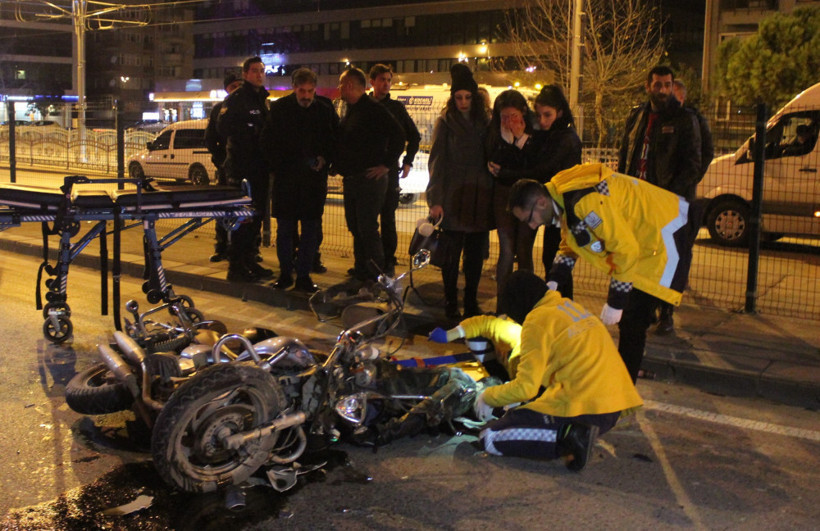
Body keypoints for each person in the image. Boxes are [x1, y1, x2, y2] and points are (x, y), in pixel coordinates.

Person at [507, 165, 696, 383]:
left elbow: (625, 250)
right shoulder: (561, 193)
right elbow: (573, 240)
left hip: (663, 240)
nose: (531, 226)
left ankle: (621, 396)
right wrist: (555, 279)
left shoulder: (584, 203)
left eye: (530, 218)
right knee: (632, 322)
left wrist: (616, 302)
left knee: (632, 322)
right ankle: (622, 385)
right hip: (655, 235)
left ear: (541, 202)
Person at [474, 271, 643, 470]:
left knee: (490, 438)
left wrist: (487, 397)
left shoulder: (537, 320)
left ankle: (569, 435)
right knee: (528, 408)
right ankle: (575, 432)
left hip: (586, 411)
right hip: (612, 408)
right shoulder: (568, 307)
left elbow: (525, 388)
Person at [615, 65, 701, 370]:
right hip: (635, 206)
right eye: (658, 84)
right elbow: (626, 153)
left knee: (664, 261)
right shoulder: (637, 116)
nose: (662, 90)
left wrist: (669, 199)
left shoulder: (685, 119)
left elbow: (694, 163)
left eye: (667, 85)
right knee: (635, 258)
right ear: (648, 85)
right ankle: (636, 312)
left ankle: (662, 313)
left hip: (663, 207)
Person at [261, 67, 339, 293]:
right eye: (302, 91)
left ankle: (303, 275)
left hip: (313, 182)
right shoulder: (279, 110)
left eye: (310, 91)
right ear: (294, 88)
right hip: (286, 181)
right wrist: (278, 167)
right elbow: (267, 143)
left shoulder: (324, 110)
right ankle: (286, 274)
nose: (306, 96)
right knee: (285, 230)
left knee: (310, 231)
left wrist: (326, 159)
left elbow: (334, 139)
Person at [427, 63, 494, 320]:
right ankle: (450, 302)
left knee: (475, 257)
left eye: (467, 97)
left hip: (479, 195)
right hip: (453, 196)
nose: (463, 102)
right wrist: (435, 199)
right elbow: (437, 162)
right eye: (458, 97)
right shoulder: (445, 122)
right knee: (450, 256)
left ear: (474, 97)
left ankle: (471, 301)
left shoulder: (485, 121)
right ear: (453, 98)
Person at [650, 79, 714, 334]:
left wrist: (684, 186)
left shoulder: (692, 121)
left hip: (677, 198)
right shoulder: (656, 120)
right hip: (657, 197)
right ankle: (655, 305)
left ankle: (666, 310)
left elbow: (702, 155)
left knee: (675, 254)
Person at [334, 67, 406, 282]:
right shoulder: (353, 108)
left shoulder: (372, 109)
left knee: (367, 227)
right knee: (356, 225)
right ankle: (361, 268)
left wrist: (386, 164)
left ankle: (377, 273)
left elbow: (399, 135)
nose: (339, 89)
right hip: (354, 178)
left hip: (369, 179)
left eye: (341, 85)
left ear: (349, 86)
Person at [216, 57, 274, 283]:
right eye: (255, 71)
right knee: (243, 219)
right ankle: (236, 267)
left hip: (259, 168)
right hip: (242, 169)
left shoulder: (261, 99)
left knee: (255, 218)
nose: (259, 75)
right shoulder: (238, 99)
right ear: (245, 74)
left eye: (262, 71)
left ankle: (250, 261)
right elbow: (223, 129)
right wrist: (247, 134)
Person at [486, 90, 539, 313]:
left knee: (524, 248)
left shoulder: (534, 131)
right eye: (504, 117)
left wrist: (520, 141)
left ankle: (527, 305)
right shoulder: (495, 132)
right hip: (504, 194)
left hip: (528, 196)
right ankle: (503, 305)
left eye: (513, 116)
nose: (508, 122)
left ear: (524, 113)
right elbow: (494, 165)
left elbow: (532, 166)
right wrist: (508, 144)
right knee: (507, 249)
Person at [369, 64, 422, 276]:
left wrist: (408, 161)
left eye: (388, 80)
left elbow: (414, 136)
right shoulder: (364, 106)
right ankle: (369, 260)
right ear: (372, 81)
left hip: (389, 172)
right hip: (367, 172)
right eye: (382, 79)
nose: (386, 84)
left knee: (388, 218)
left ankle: (388, 259)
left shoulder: (396, 109)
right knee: (367, 221)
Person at [531, 85, 582, 297]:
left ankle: (562, 305)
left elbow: (545, 167)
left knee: (556, 260)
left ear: (559, 112)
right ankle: (559, 303)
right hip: (554, 205)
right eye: (539, 115)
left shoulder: (566, 138)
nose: (542, 120)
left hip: (562, 207)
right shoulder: (551, 134)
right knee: (551, 259)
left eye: (548, 115)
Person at [205, 71, 242, 263]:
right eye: (233, 86)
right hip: (226, 168)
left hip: (246, 168)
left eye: (239, 86)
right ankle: (222, 247)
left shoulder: (250, 106)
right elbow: (210, 138)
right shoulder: (220, 109)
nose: (237, 90)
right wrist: (221, 160)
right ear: (226, 89)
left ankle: (248, 249)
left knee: (246, 210)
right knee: (223, 208)